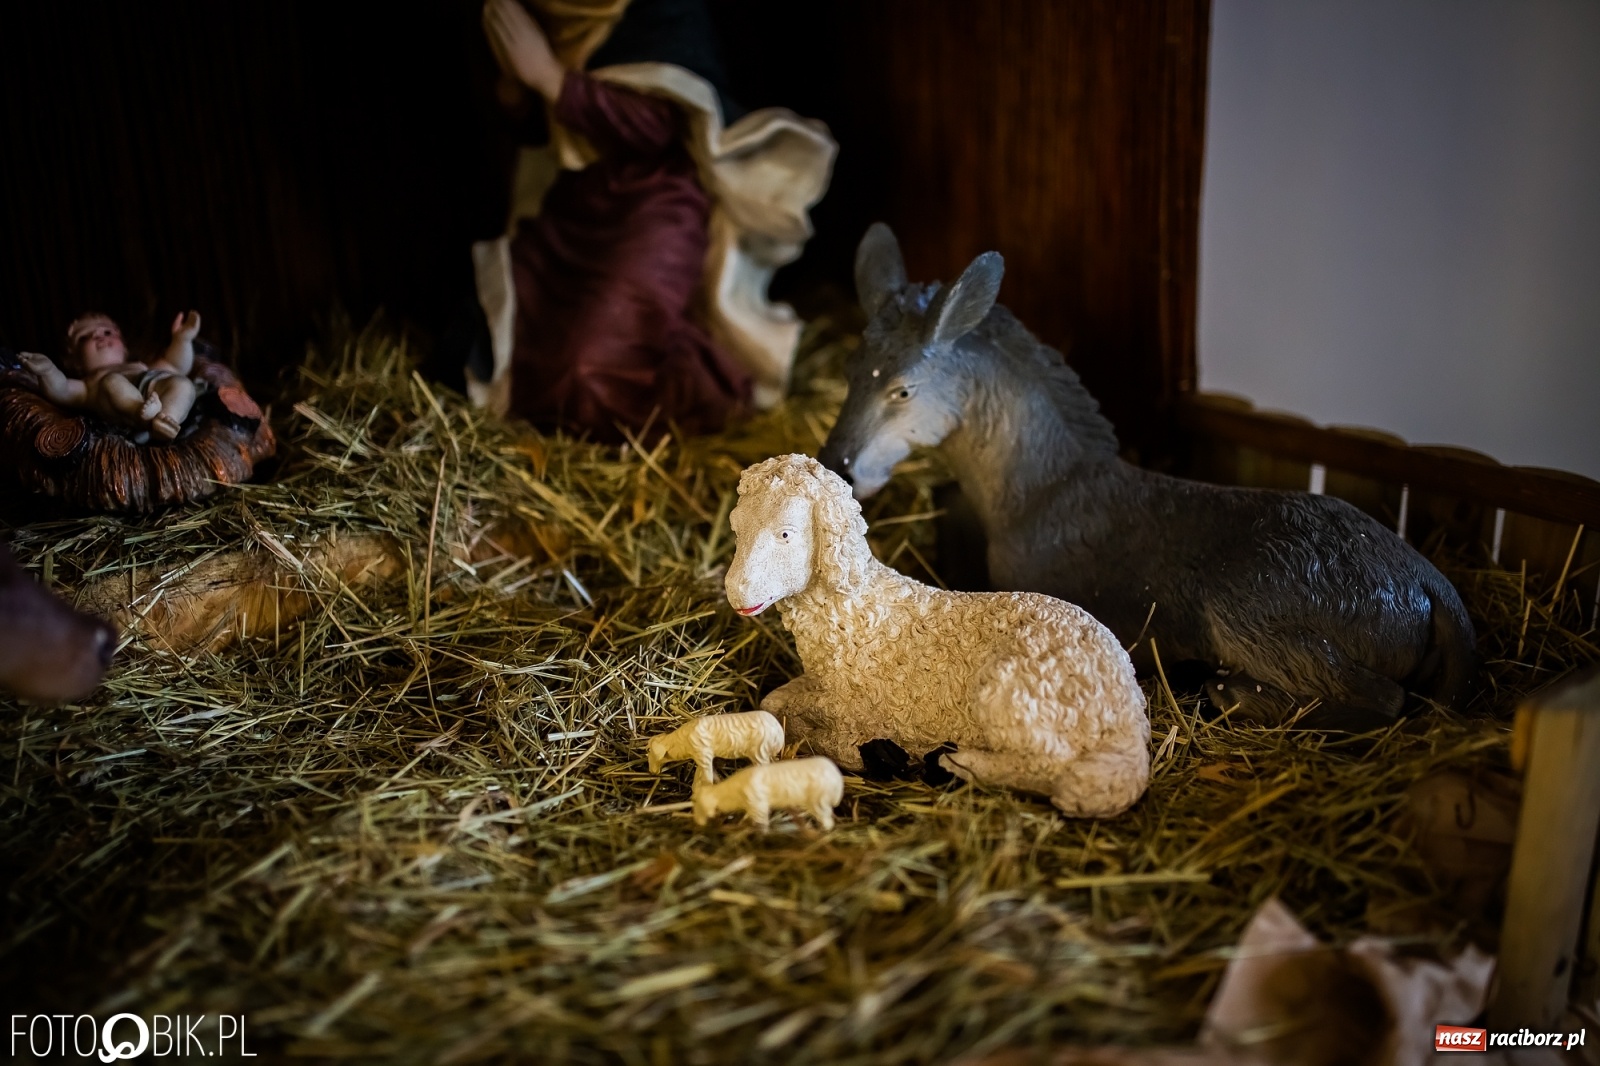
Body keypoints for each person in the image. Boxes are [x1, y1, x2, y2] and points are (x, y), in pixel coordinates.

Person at [468, 0, 836, 442]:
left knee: (591, 371)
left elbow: (658, 126)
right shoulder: (558, 12)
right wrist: (517, 94)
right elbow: (546, 133)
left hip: (655, 208)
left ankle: (705, 397)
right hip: (578, 207)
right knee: (517, 330)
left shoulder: (665, 11)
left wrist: (550, 78)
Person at [20, 311, 200, 441]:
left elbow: (176, 365)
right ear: (74, 361)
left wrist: (182, 340)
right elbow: (62, 389)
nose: (99, 336)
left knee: (183, 385)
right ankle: (140, 414)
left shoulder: (141, 366)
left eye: (107, 332)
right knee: (112, 382)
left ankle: (168, 420)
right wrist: (48, 371)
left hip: (154, 392)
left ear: (124, 347)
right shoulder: (89, 383)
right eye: (85, 337)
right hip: (126, 411)